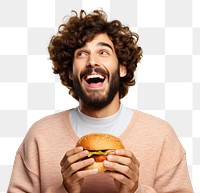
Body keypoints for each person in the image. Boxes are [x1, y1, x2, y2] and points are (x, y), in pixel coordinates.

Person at [7, 9, 193, 193]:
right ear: (70, 72)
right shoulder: (40, 136)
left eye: (103, 52)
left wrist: (136, 190)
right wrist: (64, 190)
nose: (92, 62)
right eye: (81, 54)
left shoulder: (160, 135)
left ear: (122, 68)